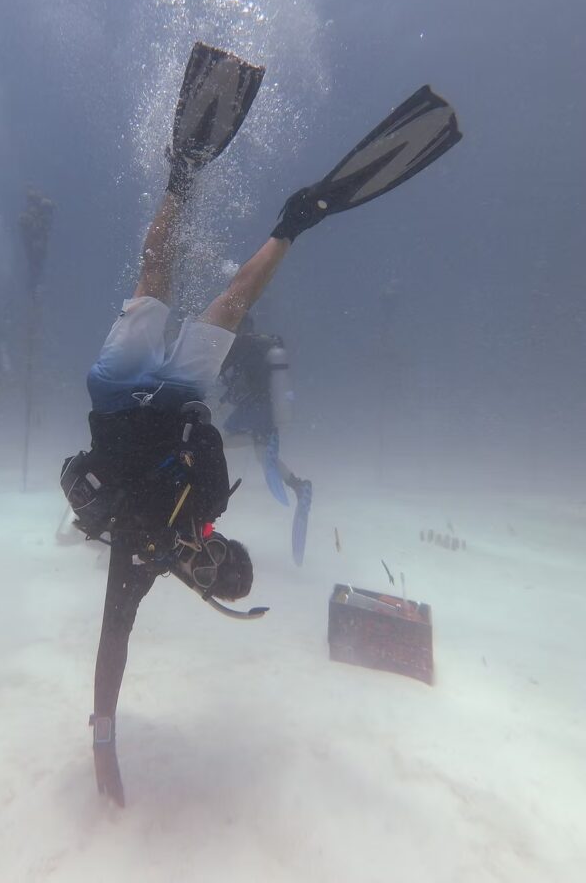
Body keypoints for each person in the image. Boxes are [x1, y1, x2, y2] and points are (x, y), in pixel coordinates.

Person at [60, 44, 461, 807]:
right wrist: (189, 468)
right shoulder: (205, 508)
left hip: (116, 397)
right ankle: (296, 219)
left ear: (199, 586)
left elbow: (111, 651)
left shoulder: (141, 561)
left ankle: (183, 173)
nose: (204, 561)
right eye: (217, 558)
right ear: (217, 547)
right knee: (232, 301)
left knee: (154, 271)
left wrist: (104, 747)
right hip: (176, 395)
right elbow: (203, 433)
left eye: (208, 573)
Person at [218, 314, 313, 565]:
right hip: (268, 409)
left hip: (257, 410)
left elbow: (219, 369)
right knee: (262, 455)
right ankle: (298, 486)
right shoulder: (261, 345)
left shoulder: (241, 345)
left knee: (221, 442)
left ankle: (254, 439)